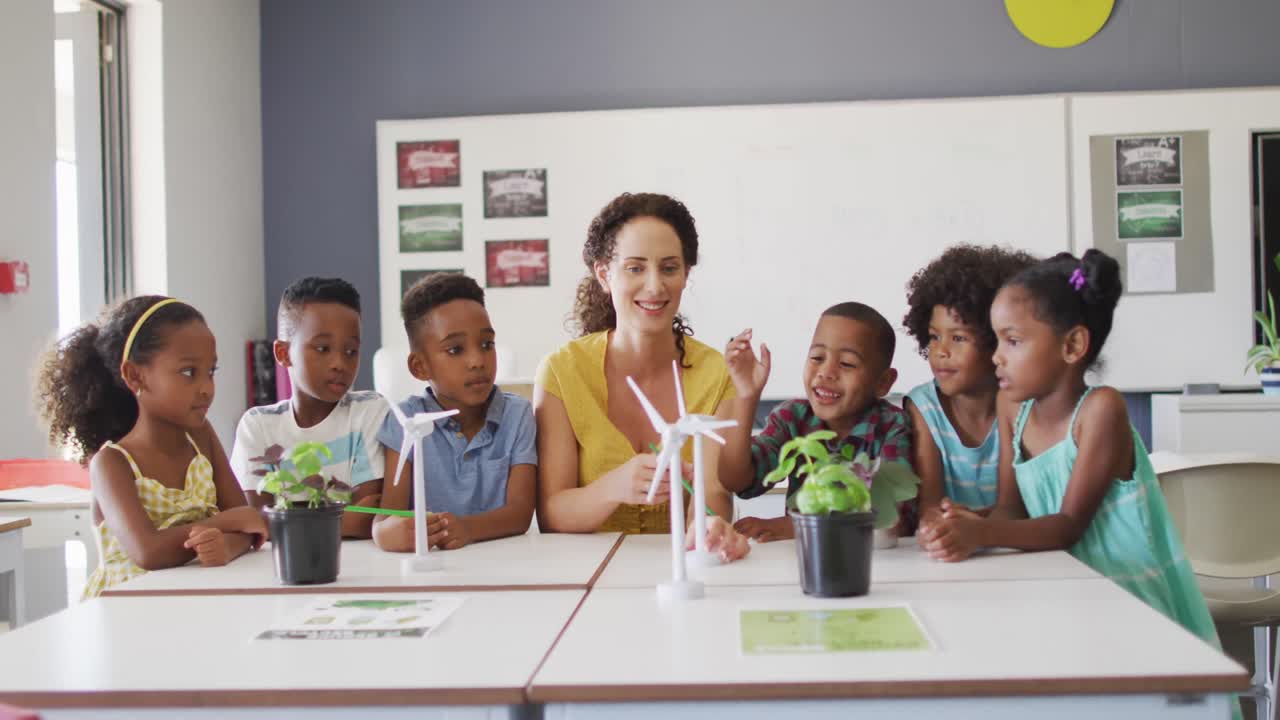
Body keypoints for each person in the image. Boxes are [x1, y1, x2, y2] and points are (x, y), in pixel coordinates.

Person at [920, 250, 1226, 660]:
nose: (996, 356)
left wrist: (981, 534)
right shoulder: (1014, 409)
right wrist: (965, 523)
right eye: (996, 341)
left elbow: (1067, 526)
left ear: (1073, 345)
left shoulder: (1101, 410)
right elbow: (1013, 511)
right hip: (1067, 594)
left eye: (1013, 341)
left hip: (1130, 603)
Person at [535, 192, 748, 561]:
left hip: (681, 569)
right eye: (635, 268)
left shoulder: (718, 374)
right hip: (588, 578)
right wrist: (612, 488)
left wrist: (708, 527)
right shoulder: (562, 372)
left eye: (669, 268)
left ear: (685, 274)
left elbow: (712, 492)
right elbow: (552, 513)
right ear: (604, 274)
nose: (654, 286)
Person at [35, 296, 267, 597]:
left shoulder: (201, 437)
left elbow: (249, 529)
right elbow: (148, 551)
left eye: (211, 372)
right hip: (128, 611)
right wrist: (226, 523)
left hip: (196, 600)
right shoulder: (111, 463)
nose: (206, 388)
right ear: (135, 376)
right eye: (188, 372)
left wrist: (226, 545)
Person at [721, 303, 913, 542]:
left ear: (884, 382)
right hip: (805, 565)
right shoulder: (793, 418)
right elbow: (736, 480)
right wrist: (746, 396)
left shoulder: (893, 426)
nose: (826, 372)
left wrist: (798, 527)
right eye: (817, 357)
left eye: (847, 364)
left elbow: (893, 516)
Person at [375, 273, 536, 552]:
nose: (477, 361)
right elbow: (387, 517)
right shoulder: (405, 422)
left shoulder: (517, 414)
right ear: (420, 367)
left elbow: (520, 514)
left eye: (487, 345)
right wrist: (387, 534)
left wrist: (467, 529)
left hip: (505, 564)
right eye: (455, 350)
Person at [231, 277, 389, 538]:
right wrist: (343, 520)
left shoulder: (369, 410)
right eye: (322, 348)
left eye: (351, 351)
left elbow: (368, 519)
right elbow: (255, 521)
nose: (339, 363)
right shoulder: (257, 424)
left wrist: (282, 523)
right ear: (283, 354)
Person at [901, 244, 1035, 532]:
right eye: (934, 337)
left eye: (959, 338)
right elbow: (929, 507)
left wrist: (974, 526)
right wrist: (944, 525)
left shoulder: (1023, 407)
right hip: (950, 550)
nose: (941, 351)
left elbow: (1019, 509)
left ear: (996, 340)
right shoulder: (923, 407)